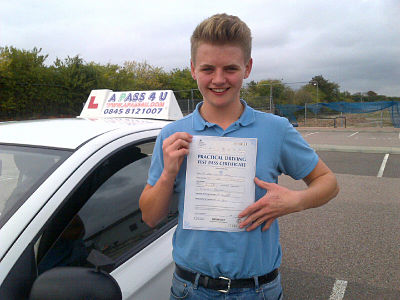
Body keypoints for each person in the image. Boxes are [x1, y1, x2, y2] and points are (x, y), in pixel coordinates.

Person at [139, 13, 339, 300]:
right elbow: (149, 216)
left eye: (230, 69)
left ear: (247, 68)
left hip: (259, 290)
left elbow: (328, 182)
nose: (218, 80)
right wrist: (169, 173)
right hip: (190, 289)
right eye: (208, 68)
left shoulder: (276, 129)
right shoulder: (173, 135)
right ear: (193, 69)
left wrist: (295, 201)